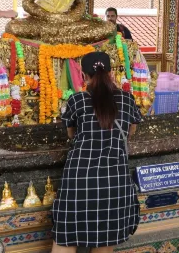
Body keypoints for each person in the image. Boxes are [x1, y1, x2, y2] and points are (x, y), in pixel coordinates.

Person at [52, 52, 141, 253]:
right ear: (110, 73)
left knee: (65, 240)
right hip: (114, 181)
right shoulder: (127, 100)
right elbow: (131, 130)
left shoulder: (78, 100)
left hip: (79, 181)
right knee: (104, 244)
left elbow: (70, 133)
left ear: (83, 76)